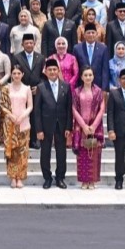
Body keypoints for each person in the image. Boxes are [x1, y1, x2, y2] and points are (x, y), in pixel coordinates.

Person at [34, 58, 73, 189]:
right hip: (46, 125)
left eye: (54, 69)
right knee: (45, 152)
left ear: (58, 71)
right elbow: (37, 110)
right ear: (45, 71)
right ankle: (47, 178)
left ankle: (60, 177)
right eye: (49, 70)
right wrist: (38, 129)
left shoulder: (66, 86)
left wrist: (69, 127)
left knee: (61, 153)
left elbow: (69, 109)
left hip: (61, 125)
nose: (52, 72)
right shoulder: (41, 87)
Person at [72, 67, 105, 189]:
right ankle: (84, 181)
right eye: (85, 75)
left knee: (93, 154)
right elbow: (74, 109)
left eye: (90, 75)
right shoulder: (76, 92)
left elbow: (102, 109)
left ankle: (92, 181)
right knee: (83, 155)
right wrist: (84, 126)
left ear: (93, 76)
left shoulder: (98, 91)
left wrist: (93, 126)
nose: (88, 77)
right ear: (81, 77)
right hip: (81, 128)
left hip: (94, 128)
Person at [0, 65, 33, 188]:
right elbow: (2, 105)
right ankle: (13, 177)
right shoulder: (6, 88)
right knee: (11, 152)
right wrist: (11, 115)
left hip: (23, 123)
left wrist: (22, 116)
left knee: (22, 152)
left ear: (22, 74)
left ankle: (20, 177)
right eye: (14, 73)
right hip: (10, 124)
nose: (16, 75)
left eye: (19, 73)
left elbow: (30, 106)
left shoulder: (27, 88)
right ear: (11, 75)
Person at [74, 23, 110, 91]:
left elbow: (105, 70)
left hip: (98, 85)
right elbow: (76, 69)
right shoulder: (77, 48)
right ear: (84, 35)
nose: (91, 35)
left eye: (93, 32)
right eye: (88, 33)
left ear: (96, 34)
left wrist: (104, 88)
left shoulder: (103, 48)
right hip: (82, 86)